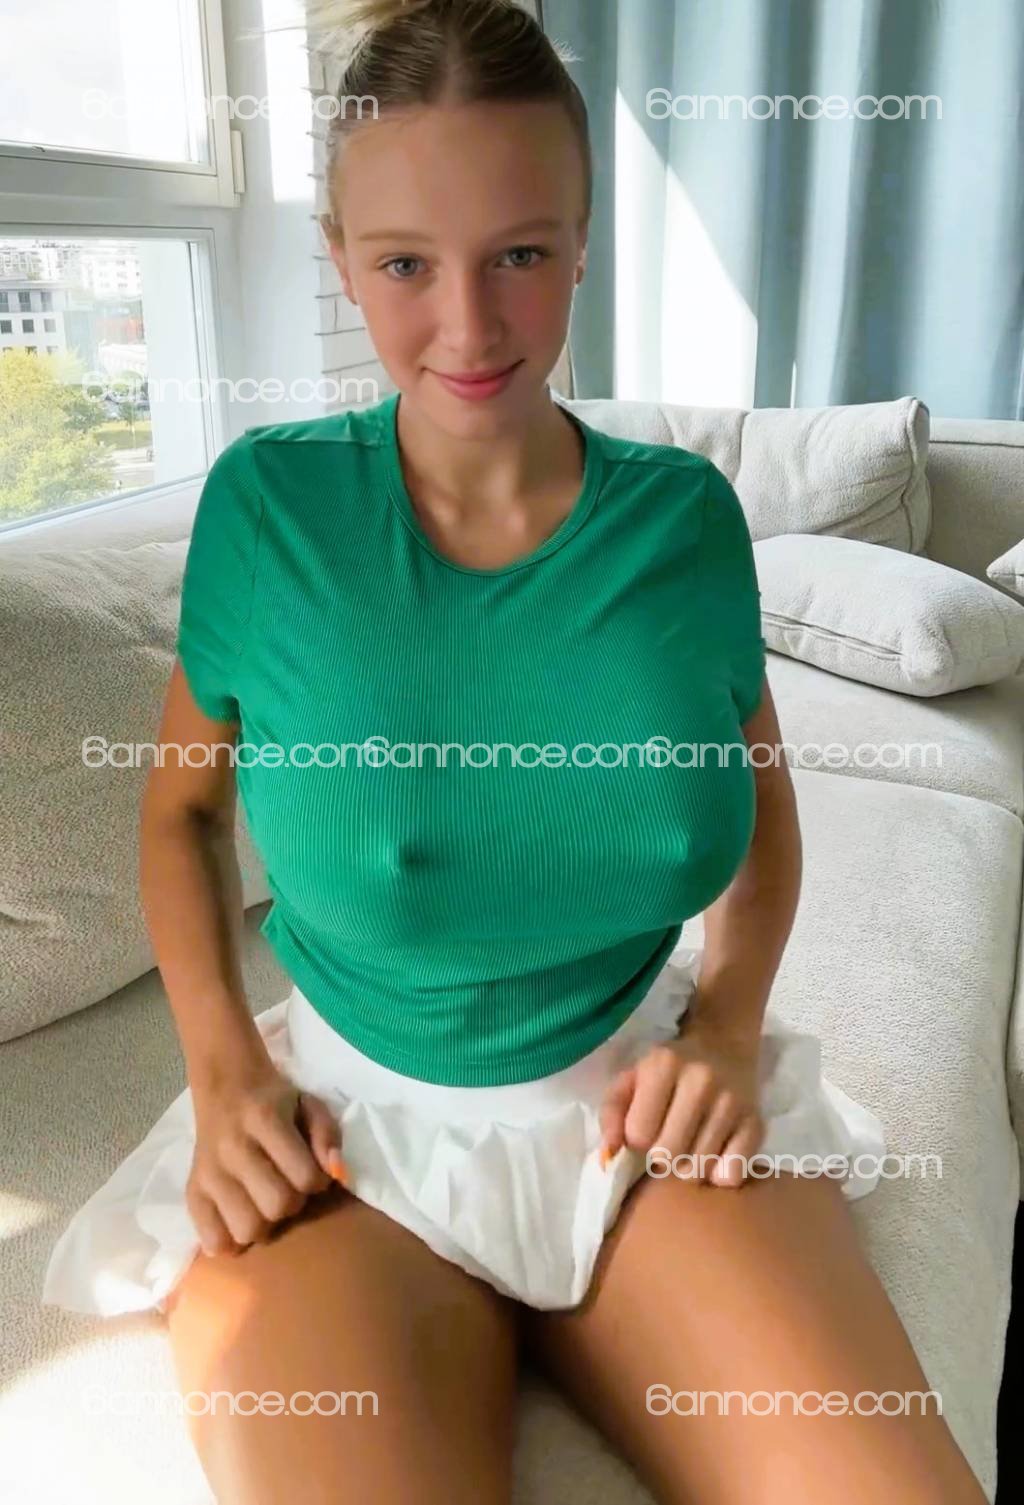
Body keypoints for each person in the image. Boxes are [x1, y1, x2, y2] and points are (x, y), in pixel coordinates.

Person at [41, 2, 985, 1502]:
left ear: (585, 244)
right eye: (406, 265)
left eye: (521, 254)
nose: (472, 329)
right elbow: (181, 819)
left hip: (636, 1108)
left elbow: (759, 806)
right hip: (344, 1132)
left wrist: (728, 1026)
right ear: (340, 257)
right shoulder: (272, 512)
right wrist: (222, 1074)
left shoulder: (683, 522)